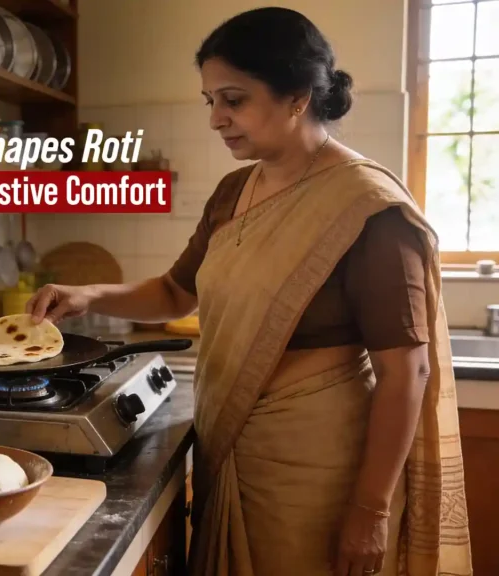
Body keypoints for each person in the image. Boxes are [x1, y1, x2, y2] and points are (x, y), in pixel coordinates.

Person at [26, 8, 472, 576]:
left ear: (298, 96)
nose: (216, 118)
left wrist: (370, 510)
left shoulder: (366, 209)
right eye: (210, 100)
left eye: (233, 99)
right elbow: (172, 293)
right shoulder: (234, 191)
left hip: (317, 473)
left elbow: (407, 372)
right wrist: (87, 294)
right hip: (232, 448)